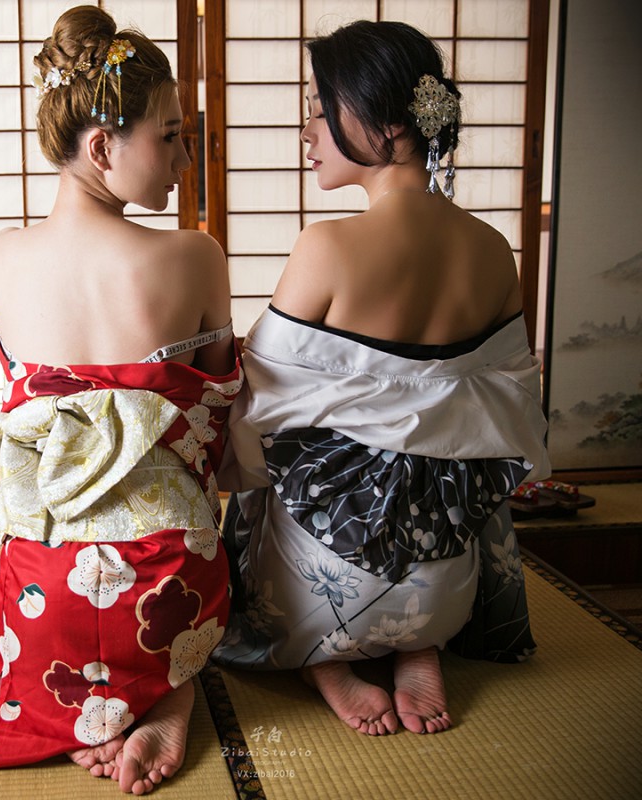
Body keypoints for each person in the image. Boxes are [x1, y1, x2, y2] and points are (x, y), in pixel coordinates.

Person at [0, 6, 239, 795]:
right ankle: (167, 690)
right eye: (171, 136)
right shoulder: (195, 256)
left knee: (21, 600)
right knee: (206, 549)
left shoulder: (4, 254)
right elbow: (216, 417)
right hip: (168, 584)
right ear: (102, 148)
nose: (185, 157)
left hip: (48, 591)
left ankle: (83, 708)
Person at [210, 20, 550, 737]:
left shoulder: (327, 247)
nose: (307, 130)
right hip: (443, 562)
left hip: (333, 575)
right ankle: (419, 644)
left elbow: (256, 402)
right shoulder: (494, 250)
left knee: (259, 468)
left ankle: (323, 658)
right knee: (445, 464)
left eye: (321, 109)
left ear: (390, 123)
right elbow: (513, 403)